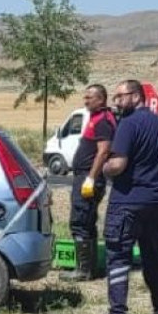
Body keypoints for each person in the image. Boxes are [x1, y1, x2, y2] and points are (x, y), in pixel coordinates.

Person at [99, 80, 158, 314]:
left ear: (135, 96)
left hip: (129, 200)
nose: (116, 102)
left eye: (120, 97)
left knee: (118, 255)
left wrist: (103, 169)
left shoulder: (128, 125)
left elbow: (118, 164)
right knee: (154, 256)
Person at [61, 84, 116, 282]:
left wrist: (91, 178)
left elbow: (103, 151)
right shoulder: (95, 117)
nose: (85, 101)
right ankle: (90, 268)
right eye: (85, 97)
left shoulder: (102, 121)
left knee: (80, 221)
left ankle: (83, 270)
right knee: (87, 222)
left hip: (88, 177)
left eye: (89, 98)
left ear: (101, 99)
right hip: (83, 175)